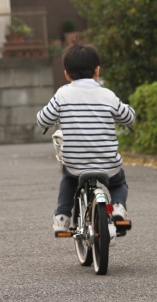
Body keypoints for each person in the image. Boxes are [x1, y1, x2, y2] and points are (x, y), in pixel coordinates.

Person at [37, 42, 136, 235]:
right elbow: (128, 117)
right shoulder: (107, 95)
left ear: (67, 74)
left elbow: (43, 119)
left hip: (76, 162)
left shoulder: (62, 94)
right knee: (118, 183)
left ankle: (62, 218)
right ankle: (117, 209)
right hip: (108, 162)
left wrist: (47, 121)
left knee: (68, 178)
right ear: (97, 71)